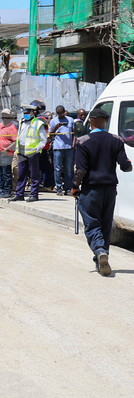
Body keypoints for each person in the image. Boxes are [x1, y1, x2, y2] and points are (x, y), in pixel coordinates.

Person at [72, 107, 132, 276]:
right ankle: (101, 257)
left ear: (90, 120)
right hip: (110, 190)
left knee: (92, 223)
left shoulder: (83, 141)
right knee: (105, 224)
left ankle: (99, 251)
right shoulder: (117, 140)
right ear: (105, 121)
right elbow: (126, 166)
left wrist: (75, 186)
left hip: (91, 189)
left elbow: (81, 170)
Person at [14, 101, 48, 202]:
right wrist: (16, 150)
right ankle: (19, 194)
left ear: (33, 112)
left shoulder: (38, 123)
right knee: (21, 174)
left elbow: (43, 140)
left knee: (34, 175)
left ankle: (34, 195)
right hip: (21, 152)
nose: (26, 114)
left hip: (33, 153)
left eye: (28, 112)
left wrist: (37, 150)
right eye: (24, 112)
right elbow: (19, 137)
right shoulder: (21, 122)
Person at [49, 105, 76, 195]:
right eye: (58, 114)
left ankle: (68, 188)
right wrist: (56, 127)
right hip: (58, 147)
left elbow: (74, 133)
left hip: (68, 148)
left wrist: (73, 144)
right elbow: (50, 134)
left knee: (69, 169)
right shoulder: (53, 121)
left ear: (64, 111)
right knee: (57, 168)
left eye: (62, 113)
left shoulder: (70, 120)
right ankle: (59, 187)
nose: (60, 115)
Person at [0, 109, 18, 198]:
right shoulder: (0, 126)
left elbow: (15, 141)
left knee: (6, 172)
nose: (4, 117)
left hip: (6, 154)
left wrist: (7, 149)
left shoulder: (12, 127)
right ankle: (1, 189)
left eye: (6, 115)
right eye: (3, 115)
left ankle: (8, 191)